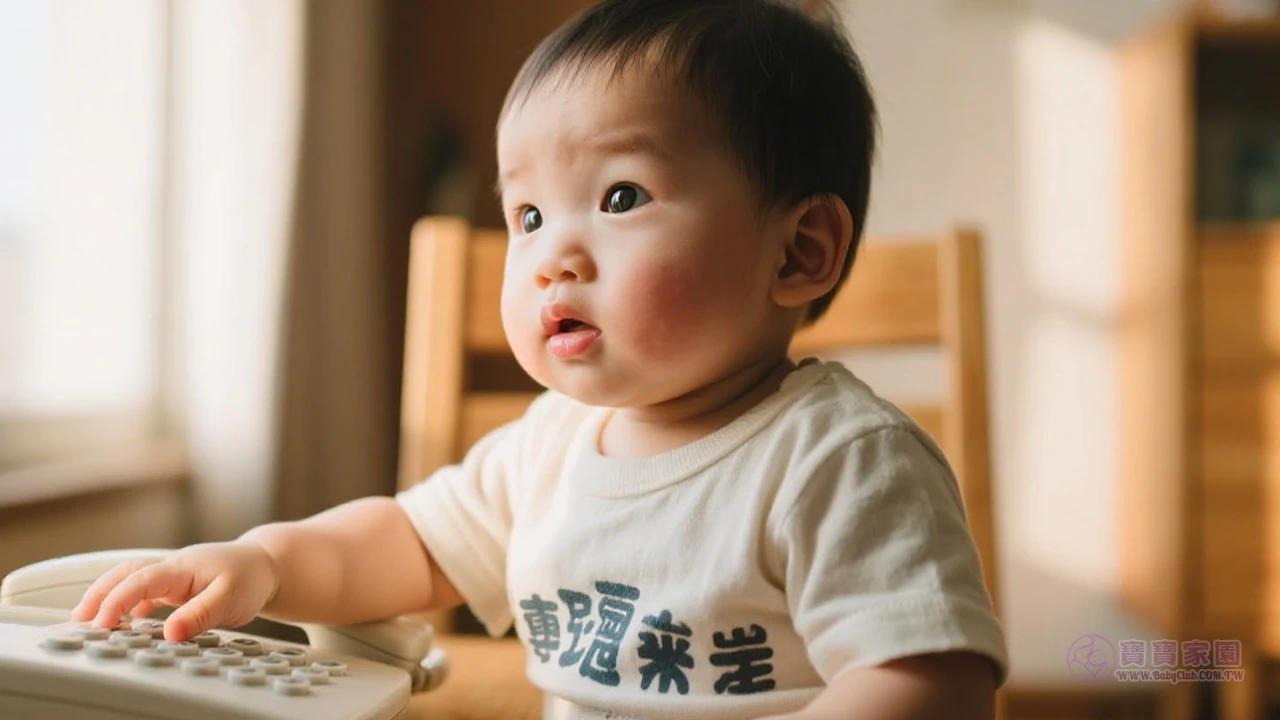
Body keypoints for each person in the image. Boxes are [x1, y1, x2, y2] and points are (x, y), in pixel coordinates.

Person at [73, 1, 1008, 717]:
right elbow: (412, 544)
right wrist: (266, 560)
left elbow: (929, 677)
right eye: (527, 214)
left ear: (799, 250)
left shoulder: (839, 460)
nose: (553, 252)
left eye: (621, 194)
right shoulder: (552, 444)